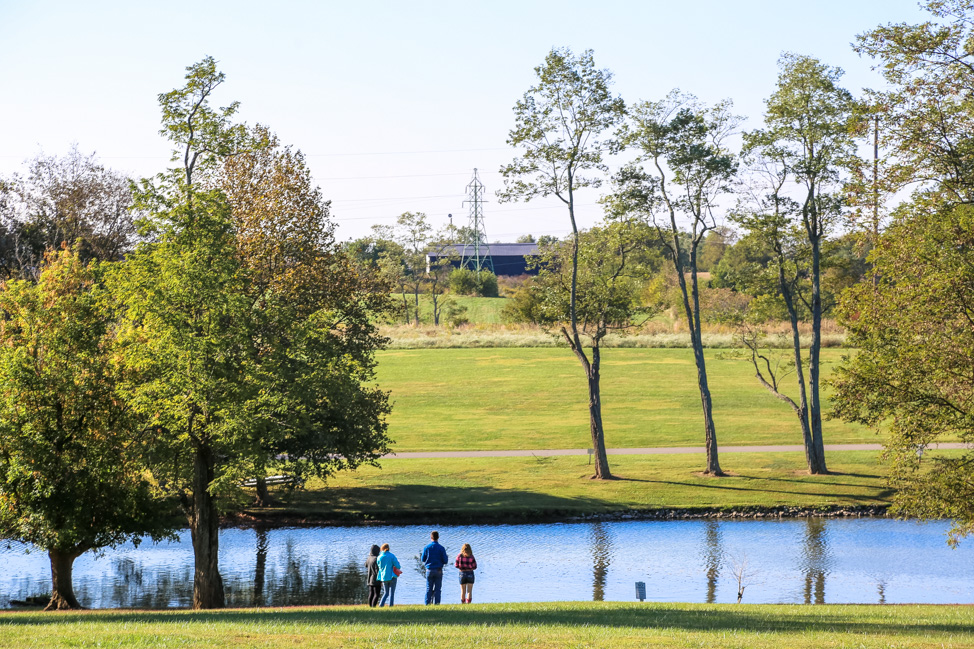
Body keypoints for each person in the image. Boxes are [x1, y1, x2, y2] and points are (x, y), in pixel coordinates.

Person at [420, 530, 448, 605]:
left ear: (431, 537)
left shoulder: (427, 547)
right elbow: (445, 560)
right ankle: (437, 604)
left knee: (429, 588)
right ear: (438, 537)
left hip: (429, 570)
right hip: (438, 570)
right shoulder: (441, 548)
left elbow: (422, 559)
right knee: (438, 589)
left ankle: (427, 604)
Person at [376, 543, 401, 607]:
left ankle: (381, 605)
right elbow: (398, 566)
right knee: (392, 593)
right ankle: (391, 606)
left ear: (382, 548)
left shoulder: (379, 557)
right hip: (392, 576)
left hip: (383, 577)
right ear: (388, 548)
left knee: (386, 593)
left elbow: (379, 566)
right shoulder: (392, 556)